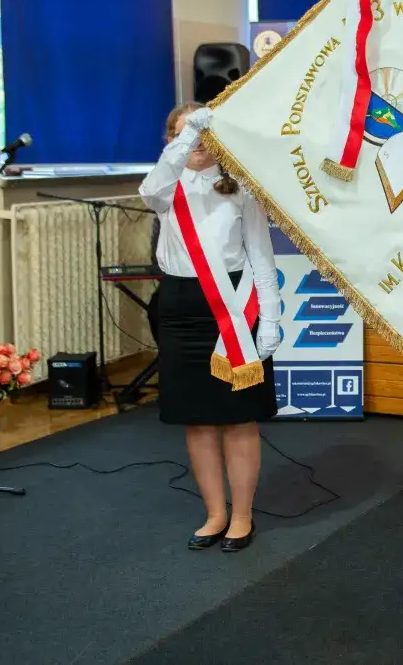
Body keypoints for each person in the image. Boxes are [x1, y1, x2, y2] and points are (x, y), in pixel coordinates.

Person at [139, 103, 282, 552]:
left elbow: (260, 255)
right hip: (181, 306)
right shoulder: (167, 186)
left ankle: (241, 517)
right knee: (197, 421)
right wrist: (187, 136)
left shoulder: (240, 186)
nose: (197, 147)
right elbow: (150, 191)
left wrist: (272, 315)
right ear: (171, 141)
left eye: (203, 138)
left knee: (238, 419)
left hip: (235, 306)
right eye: (185, 138)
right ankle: (215, 514)